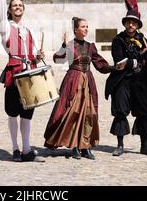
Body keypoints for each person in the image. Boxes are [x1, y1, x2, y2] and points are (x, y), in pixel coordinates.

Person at [44, 18, 122, 160]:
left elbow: (99, 64)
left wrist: (113, 68)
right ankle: (75, 146)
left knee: (89, 113)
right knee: (73, 111)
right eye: (83, 27)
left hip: (88, 82)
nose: (86, 29)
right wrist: (63, 46)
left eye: (87, 26)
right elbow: (58, 59)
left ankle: (85, 146)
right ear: (76, 30)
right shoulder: (69, 45)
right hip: (73, 81)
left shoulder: (90, 46)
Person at [0, 0, 45, 162]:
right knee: (13, 112)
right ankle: (16, 149)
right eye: (14, 5)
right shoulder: (5, 28)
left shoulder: (28, 30)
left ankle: (27, 150)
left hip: (29, 73)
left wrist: (38, 56)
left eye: (20, 6)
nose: (18, 7)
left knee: (27, 113)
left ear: (24, 9)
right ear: (10, 9)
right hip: (14, 74)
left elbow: (32, 54)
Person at [105, 0, 147, 157]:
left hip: (139, 81)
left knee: (142, 111)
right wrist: (139, 56)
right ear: (125, 24)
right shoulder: (118, 40)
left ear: (137, 25)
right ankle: (120, 145)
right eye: (128, 22)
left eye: (134, 22)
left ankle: (145, 145)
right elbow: (119, 61)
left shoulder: (142, 39)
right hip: (122, 80)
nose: (131, 25)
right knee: (120, 111)